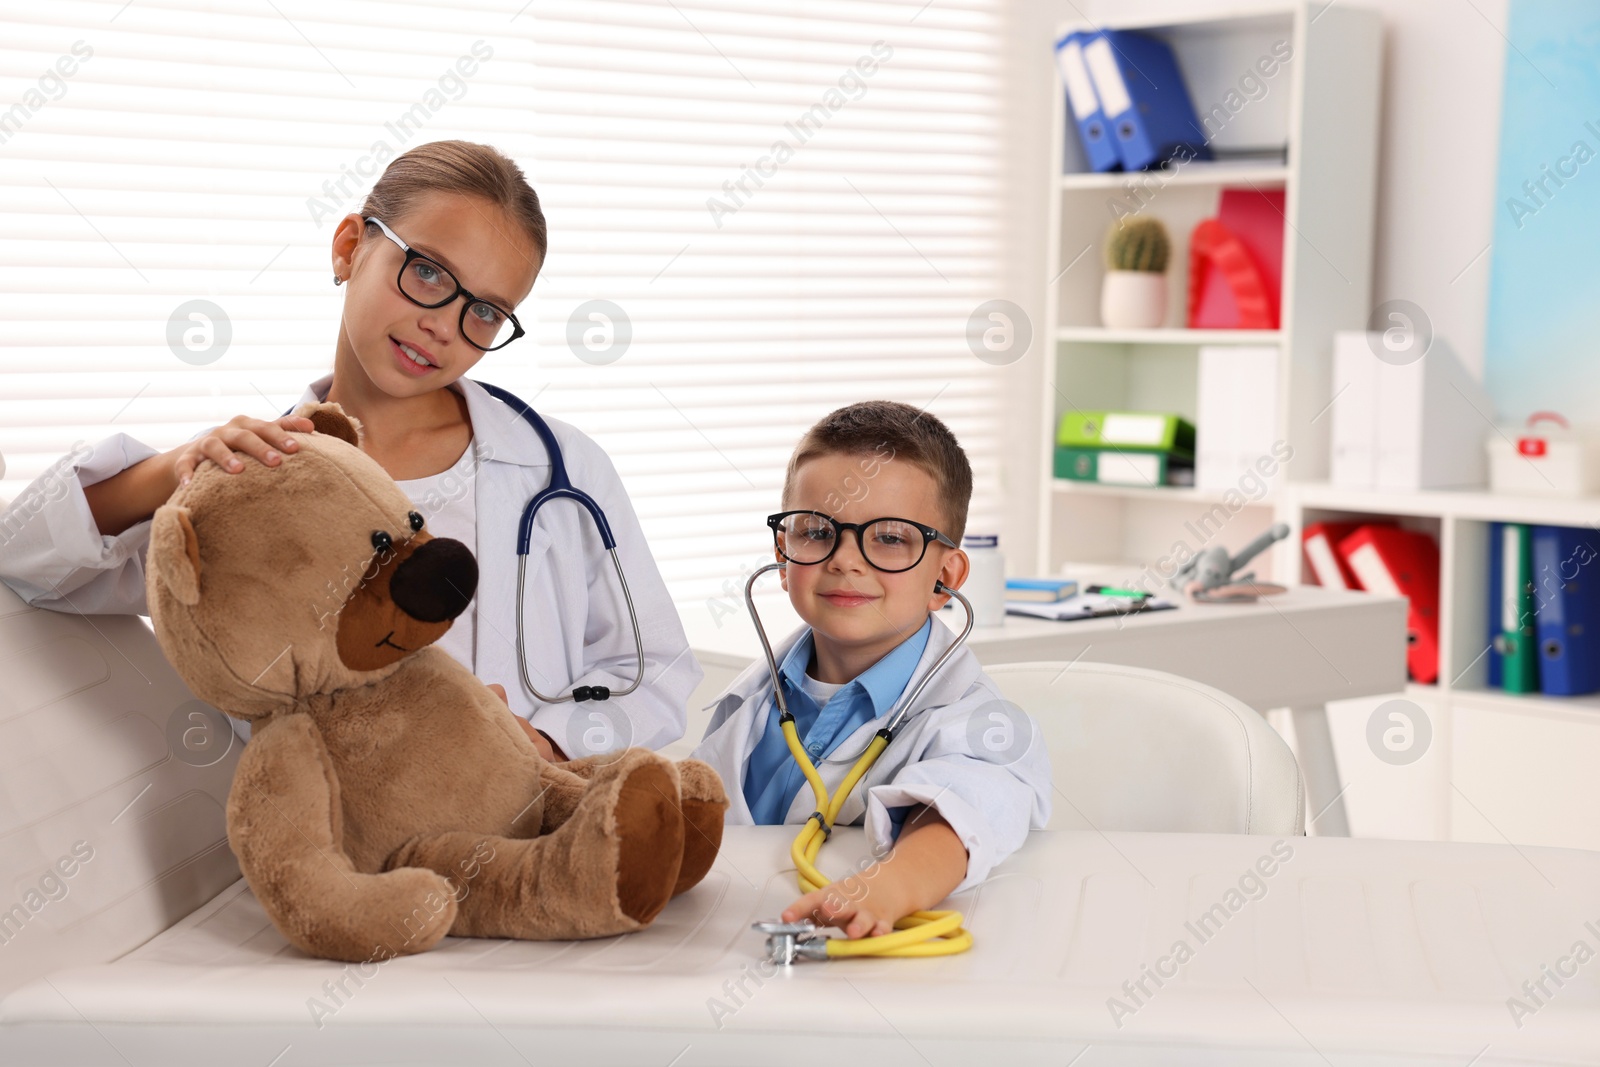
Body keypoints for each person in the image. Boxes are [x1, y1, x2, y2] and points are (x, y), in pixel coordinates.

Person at [0, 140, 700, 758]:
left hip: (514, 841)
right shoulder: (253, 481)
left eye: (484, 311)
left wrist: (549, 740)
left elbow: (658, 670)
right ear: (349, 246)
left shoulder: (559, 468)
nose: (443, 327)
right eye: (427, 271)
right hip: (321, 865)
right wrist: (174, 467)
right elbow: (28, 563)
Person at [692, 401, 1051, 939]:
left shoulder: (976, 721)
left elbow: (964, 808)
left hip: (866, 963)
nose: (845, 559)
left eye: (889, 537)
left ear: (945, 577)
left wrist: (894, 884)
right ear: (781, 551)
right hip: (730, 941)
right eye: (815, 531)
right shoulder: (755, 701)